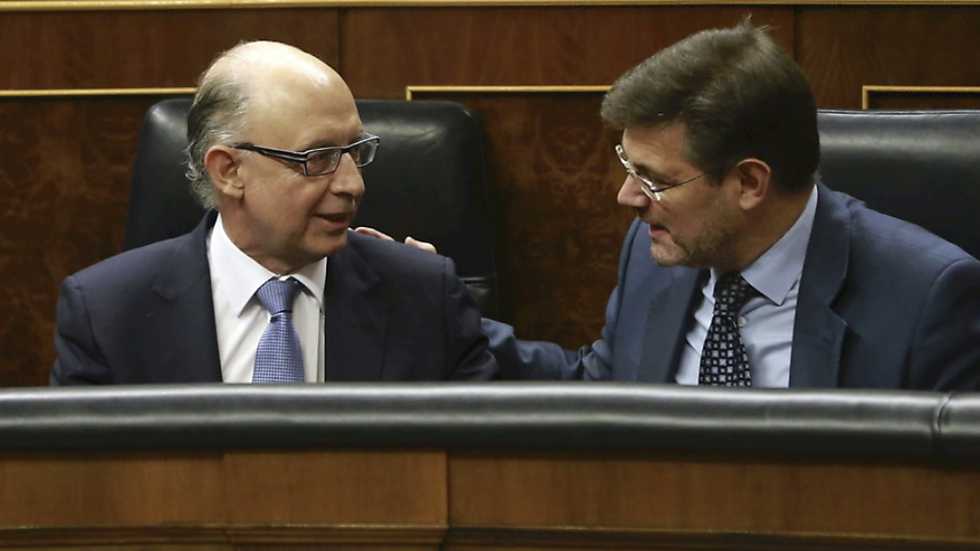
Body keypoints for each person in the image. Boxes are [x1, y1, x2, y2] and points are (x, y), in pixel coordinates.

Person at [455, 22, 980, 389]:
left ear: (749, 182)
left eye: (655, 180)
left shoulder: (928, 300)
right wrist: (435, 306)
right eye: (629, 166)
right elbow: (603, 386)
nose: (628, 197)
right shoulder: (656, 248)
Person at [51, 41, 496, 384]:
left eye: (356, 151)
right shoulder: (107, 313)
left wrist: (435, 300)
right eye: (317, 157)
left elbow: (483, 458)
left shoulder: (421, 296)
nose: (352, 184)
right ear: (229, 171)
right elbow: (81, 474)